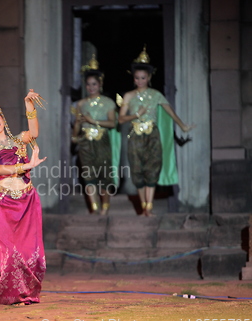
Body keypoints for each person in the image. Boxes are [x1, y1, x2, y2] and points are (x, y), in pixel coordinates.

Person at [0, 89, 47, 305]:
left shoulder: (19, 140)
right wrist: (26, 165)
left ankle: (27, 292)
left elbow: (33, 132)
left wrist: (29, 105)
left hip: (27, 199)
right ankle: (12, 293)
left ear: (2, 117)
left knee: (31, 252)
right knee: (11, 253)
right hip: (3, 203)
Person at [118, 46, 194, 216]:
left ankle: (148, 207)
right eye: (137, 78)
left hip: (152, 136)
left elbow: (170, 112)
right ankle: (143, 204)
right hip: (135, 136)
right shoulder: (129, 96)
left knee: (152, 169)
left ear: (149, 77)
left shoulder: (156, 94)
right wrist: (137, 114)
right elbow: (121, 119)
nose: (140, 81)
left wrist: (182, 126)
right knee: (137, 171)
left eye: (143, 78)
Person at [72, 55, 118, 215]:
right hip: (85, 142)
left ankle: (105, 207)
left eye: (94, 84)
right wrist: (74, 134)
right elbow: (78, 124)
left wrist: (94, 120)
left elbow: (112, 123)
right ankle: (95, 208)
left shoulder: (108, 102)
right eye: (88, 84)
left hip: (102, 141)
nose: (91, 87)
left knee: (104, 175)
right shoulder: (81, 104)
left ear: (100, 84)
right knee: (88, 175)